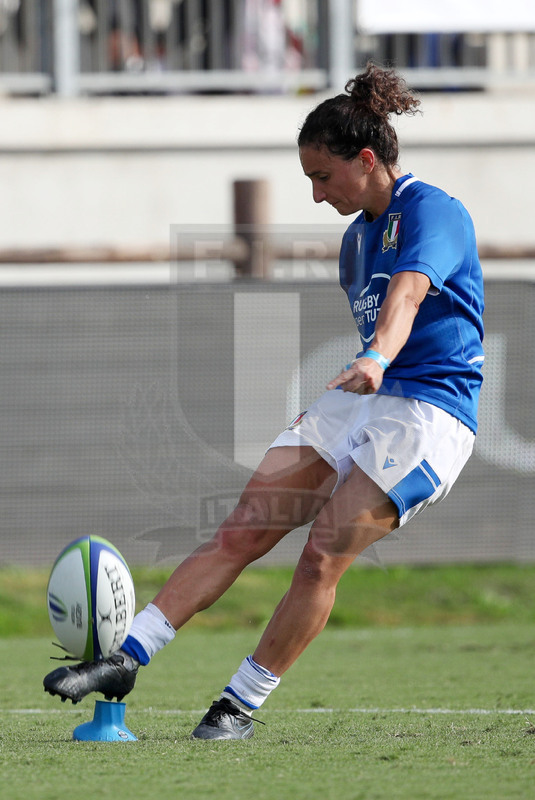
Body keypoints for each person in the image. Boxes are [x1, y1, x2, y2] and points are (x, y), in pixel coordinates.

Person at [44, 63, 485, 740]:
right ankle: (126, 657)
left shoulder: (433, 211)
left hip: (427, 409)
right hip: (364, 395)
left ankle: (237, 705)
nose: (314, 195)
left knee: (321, 555)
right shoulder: (353, 242)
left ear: (366, 160)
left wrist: (376, 356)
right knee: (243, 527)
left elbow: (407, 297)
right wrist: (369, 368)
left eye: (321, 176)